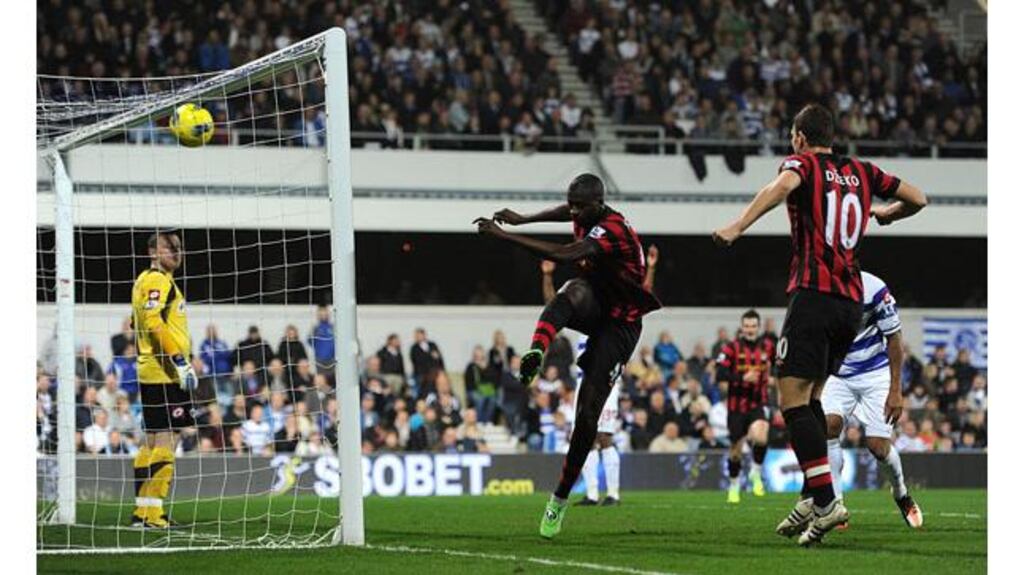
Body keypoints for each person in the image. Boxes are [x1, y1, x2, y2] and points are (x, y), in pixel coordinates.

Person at [713, 104, 927, 546]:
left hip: (814, 295)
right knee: (811, 397)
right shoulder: (864, 171)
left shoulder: (802, 164)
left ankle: (827, 501)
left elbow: (783, 185)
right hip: (850, 304)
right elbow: (919, 198)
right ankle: (815, 496)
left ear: (798, 137)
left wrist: (738, 225)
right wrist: (887, 214)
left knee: (790, 400)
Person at [475, 172, 661, 539]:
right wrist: (524, 218)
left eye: (581, 206)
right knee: (570, 291)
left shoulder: (610, 231)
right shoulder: (585, 213)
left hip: (620, 325)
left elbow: (563, 253)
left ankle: (559, 499)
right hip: (598, 301)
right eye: (572, 204)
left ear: (598, 204)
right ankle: (538, 349)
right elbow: (566, 211)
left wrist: (506, 236)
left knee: (587, 416)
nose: (574, 211)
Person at [822, 272, 923, 528]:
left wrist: (895, 389)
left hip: (874, 373)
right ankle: (835, 506)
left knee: (878, 446)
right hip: (838, 374)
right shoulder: (819, 288)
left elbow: (895, 338)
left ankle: (901, 493)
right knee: (828, 426)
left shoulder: (875, 289)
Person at [129, 231, 198, 528]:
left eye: (179, 247)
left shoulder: (142, 280)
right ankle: (154, 513)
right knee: (169, 438)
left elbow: (136, 321)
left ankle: (142, 512)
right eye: (169, 247)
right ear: (152, 252)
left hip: (148, 370)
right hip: (165, 372)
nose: (176, 252)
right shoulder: (158, 280)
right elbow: (153, 321)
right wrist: (179, 361)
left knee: (153, 438)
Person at [716, 309, 775, 504]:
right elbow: (720, 375)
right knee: (736, 450)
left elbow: (780, 365)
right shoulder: (731, 348)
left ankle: (755, 473)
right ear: (742, 327)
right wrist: (742, 377)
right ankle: (733, 485)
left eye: (753, 326)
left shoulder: (768, 346)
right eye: (747, 326)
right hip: (736, 406)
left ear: (758, 327)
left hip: (758, 402)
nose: (750, 329)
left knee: (761, 435)